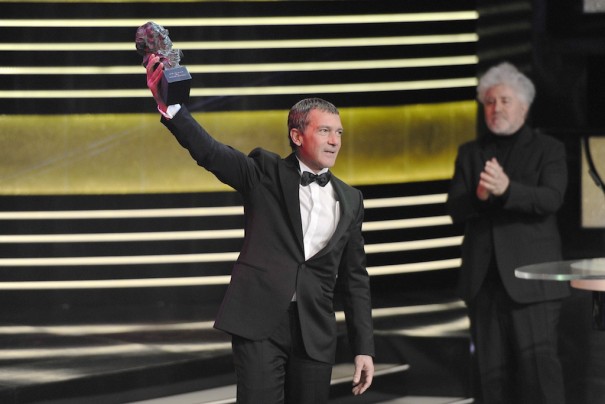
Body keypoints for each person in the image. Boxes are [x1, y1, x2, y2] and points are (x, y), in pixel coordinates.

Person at [145, 53, 375, 404]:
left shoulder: (351, 199)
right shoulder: (265, 172)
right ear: (297, 136)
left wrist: (364, 348)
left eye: (338, 132)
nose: (334, 140)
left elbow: (355, 278)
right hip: (260, 321)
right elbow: (212, 153)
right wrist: (173, 110)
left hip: (314, 330)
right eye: (324, 130)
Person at [446, 62, 569, 404]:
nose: (495, 108)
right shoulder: (470, 153)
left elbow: (552, 199)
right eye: (489, 101)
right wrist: (480, 197)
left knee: (539, 378)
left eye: (504, 100)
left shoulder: (550, 149)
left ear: (524, 106)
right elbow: (455, 210)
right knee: (488, 382)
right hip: (483, 283)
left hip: (534, 283)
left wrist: (508, 190)